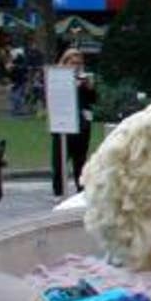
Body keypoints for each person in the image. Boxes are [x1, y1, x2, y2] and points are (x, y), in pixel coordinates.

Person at [51, 48, 98, 194]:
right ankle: (58, 191)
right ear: (65, 63)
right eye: (72, 63)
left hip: (82, 123)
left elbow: (93, 101)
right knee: (59, 160)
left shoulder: (84, 78)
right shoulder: (57, 78)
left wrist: (89, 88)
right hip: (62, 122)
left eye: (79, 63)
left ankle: (81, 189)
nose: (76, 66)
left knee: (80, 159)